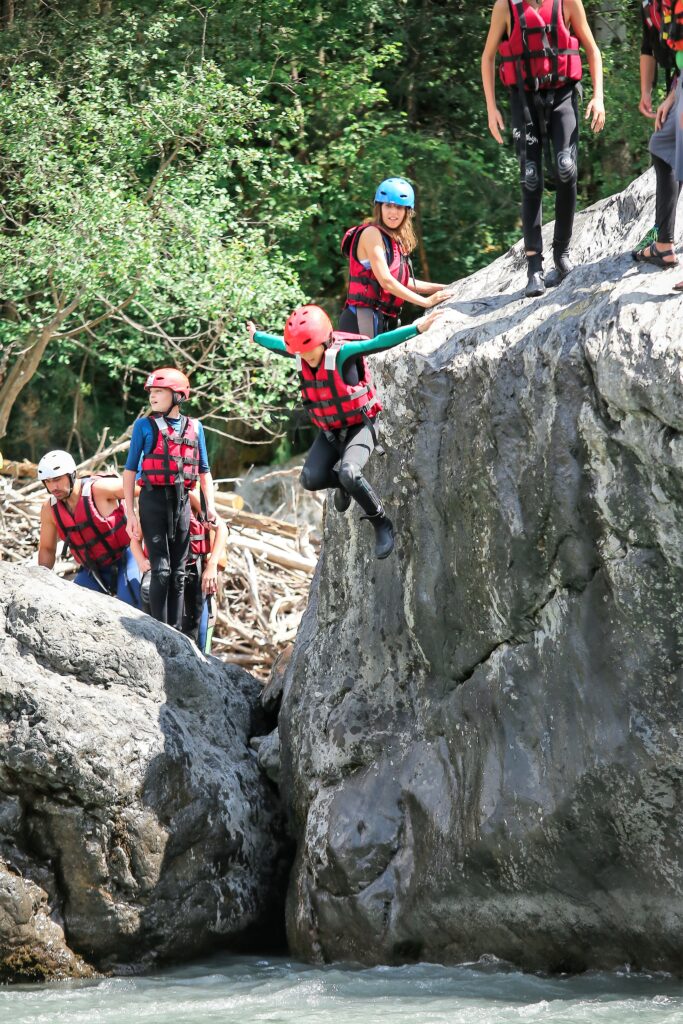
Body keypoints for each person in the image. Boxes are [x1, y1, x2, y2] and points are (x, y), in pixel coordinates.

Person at [247, 305, 442, 560]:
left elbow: (380, 342)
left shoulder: (342, 354)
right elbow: (276, 344)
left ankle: (381, 522)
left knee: (350, 472)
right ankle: (344, 484)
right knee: (310, 479)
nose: (304, 356)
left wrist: (417, 328)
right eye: (300, 352)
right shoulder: (300, 353)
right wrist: (256, 336)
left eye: (308, 351)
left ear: (325, 341)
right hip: (330, 431)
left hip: (361, 425)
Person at [481, 0, 605, 297]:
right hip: (523, 99)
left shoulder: (568, 2)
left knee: (566, 167)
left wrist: (598, 97)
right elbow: (487, 58)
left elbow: (592, 49)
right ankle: (534, 266)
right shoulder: (506, 7)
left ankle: (561, 253)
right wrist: (491, 109)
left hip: (562, 95)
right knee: (531, 176)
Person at [123, 368, 217, 629]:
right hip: (153, 501)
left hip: (182, 503)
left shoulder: (195, 427)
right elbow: (130, 469)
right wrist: (130, 513)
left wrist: (210, 508)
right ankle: (157, 630)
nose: (152, 397)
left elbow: (204, 471)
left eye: (159, 391)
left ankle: (174, 634)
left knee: (178, 573)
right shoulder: (144, 426)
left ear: (178, 395)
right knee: (161, 571)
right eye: (151, 392)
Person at [340, 176, 451, 338]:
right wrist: (426, 302)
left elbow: (402, 282)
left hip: (385, 318)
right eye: (388, 206)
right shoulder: (371, 233)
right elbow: (386, 281)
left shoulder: (394, 240)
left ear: (407, 211)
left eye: (399, 207)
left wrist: (444, 288)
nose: (393, 212)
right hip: (362, 319)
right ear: (380, 207)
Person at [37, 449, 146, 606]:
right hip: (92, 571)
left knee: (131, 604)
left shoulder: (99, 489)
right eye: (48, 481)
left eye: (58, 479)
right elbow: (47, 549)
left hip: (125, 559)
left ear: (72, 475)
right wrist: (41, 580)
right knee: (71, 608)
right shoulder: (49, 509)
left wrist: (140, 529)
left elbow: (143, 490)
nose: (54, 487)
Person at [632, 0, 683, 283]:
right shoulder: (651, 5)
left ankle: (664, 243)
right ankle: (664, 243)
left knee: (667, 150)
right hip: (679, 83)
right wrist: (649, 93)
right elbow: (648, 46)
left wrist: (673, 96)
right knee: (664, 148)